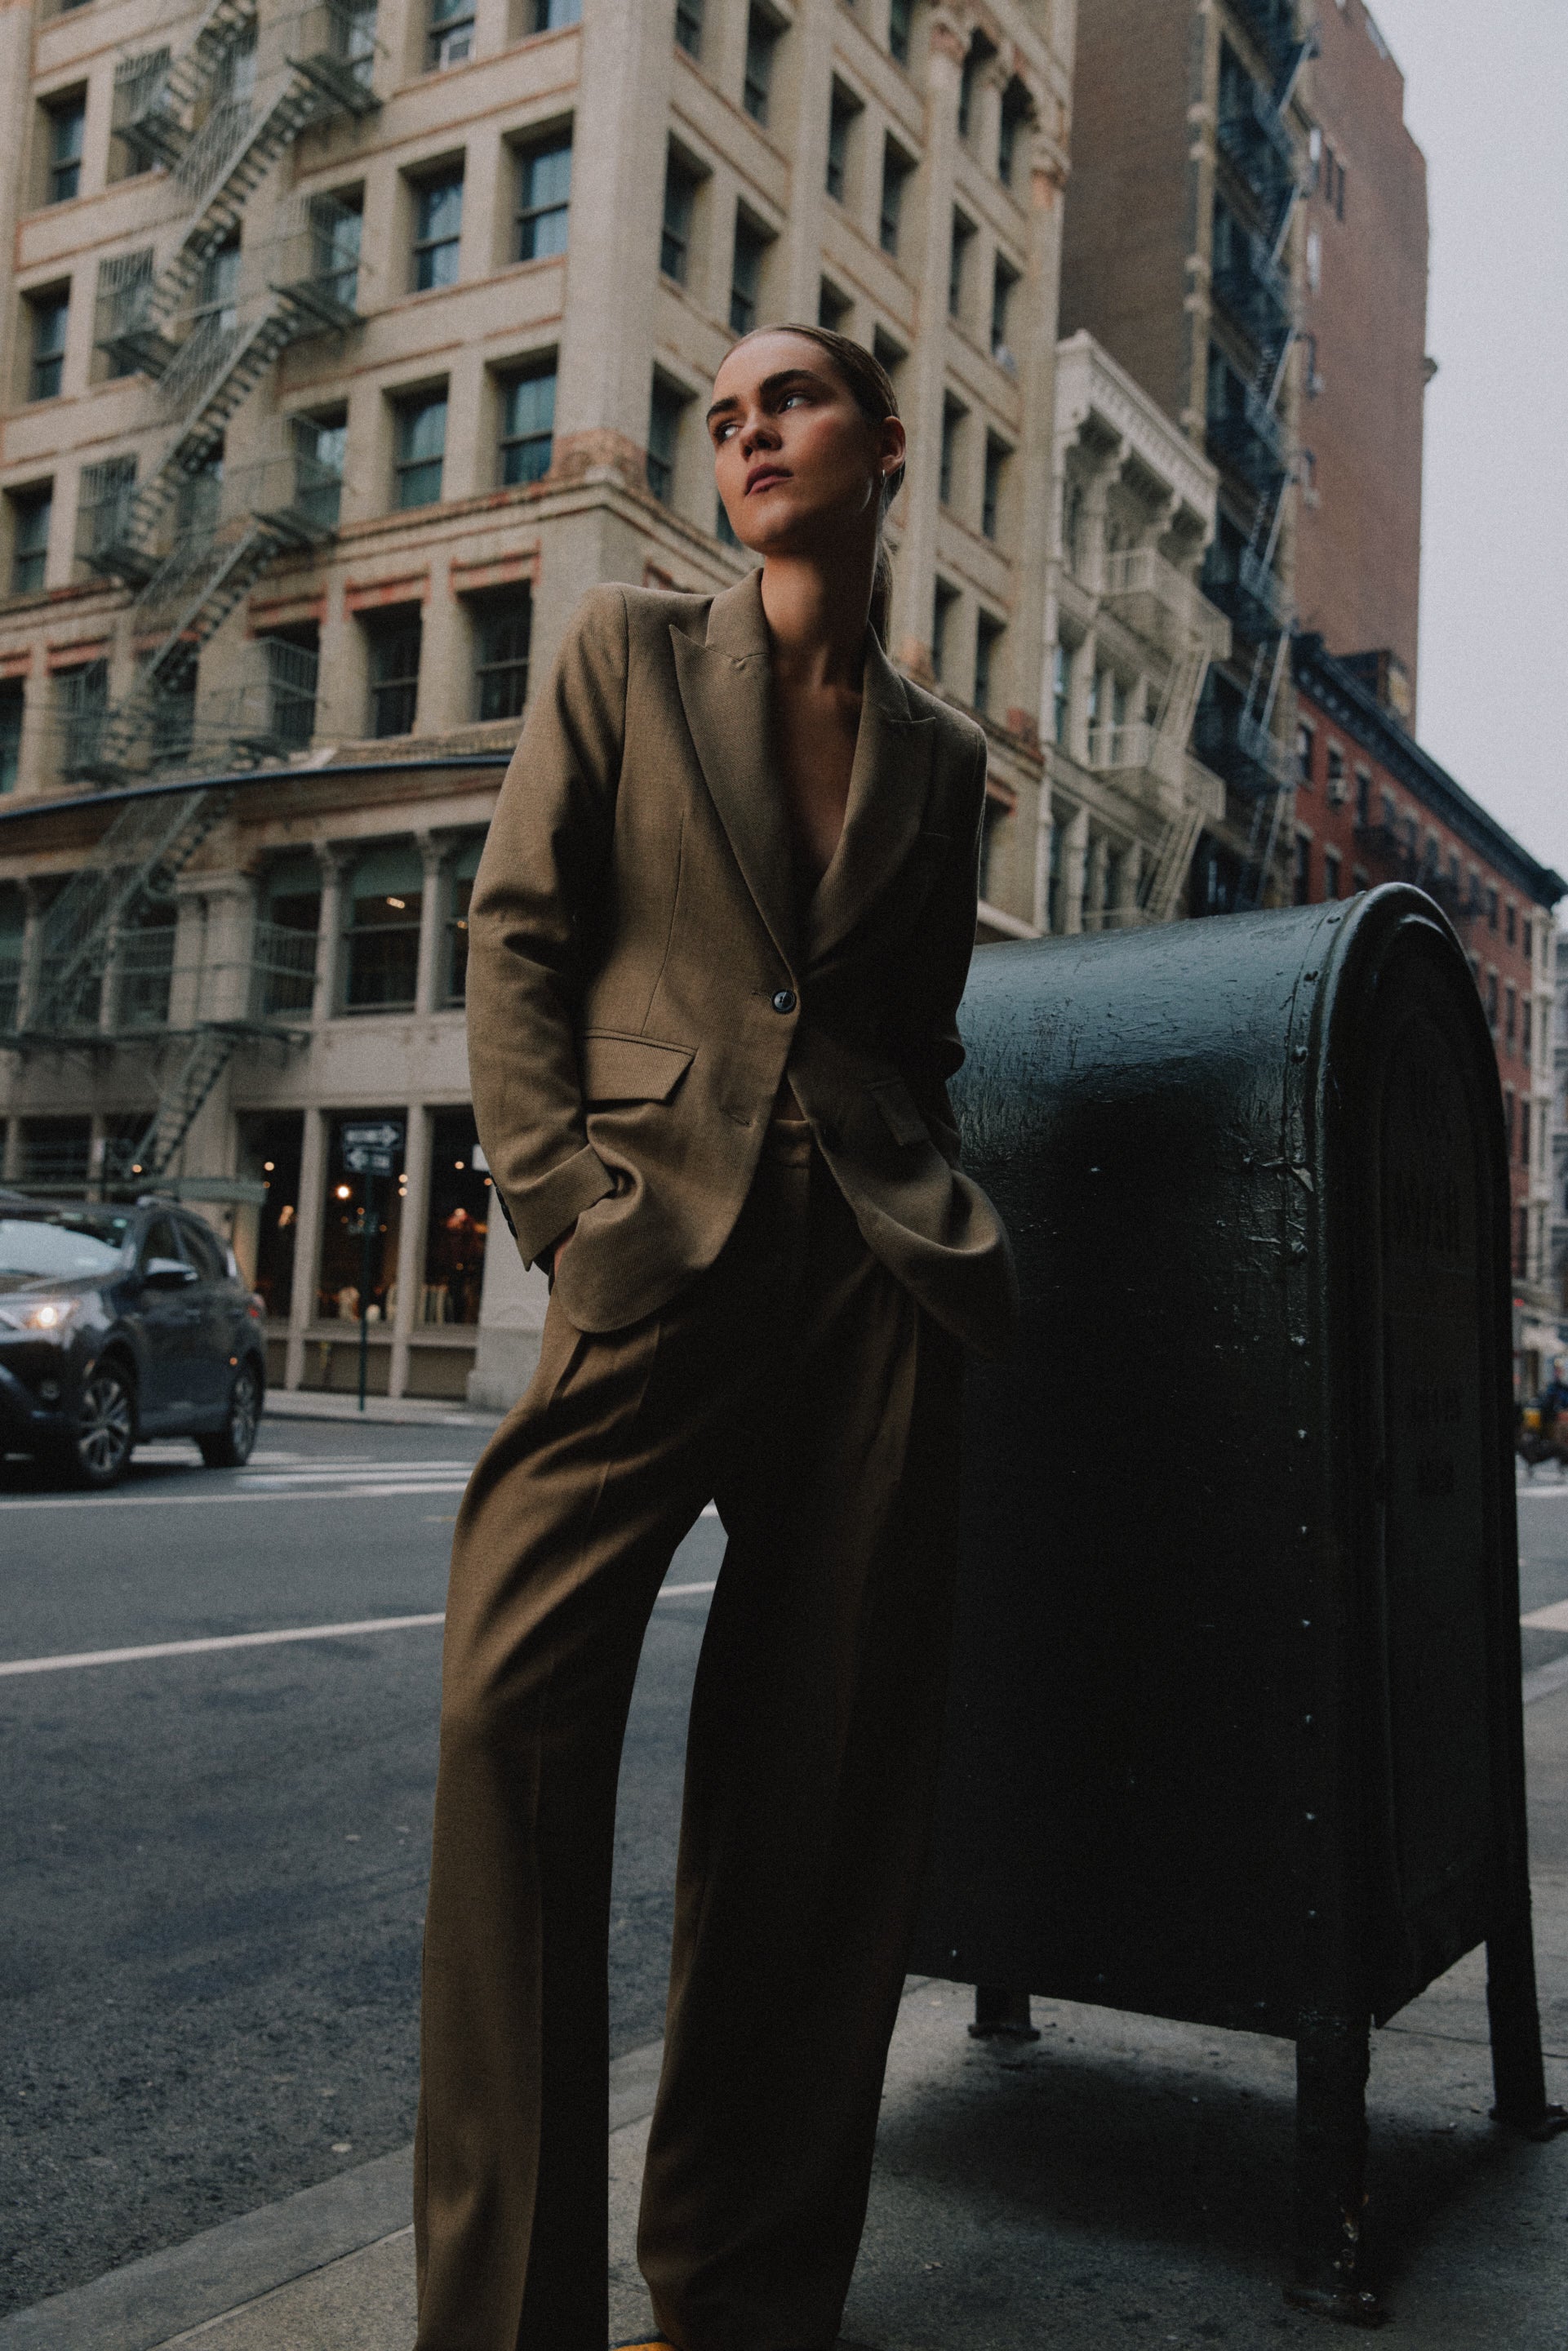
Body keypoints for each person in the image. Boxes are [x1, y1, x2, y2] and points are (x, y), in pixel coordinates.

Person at [412, 325, 1019, 2351]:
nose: (748, 428)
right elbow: (519, 930)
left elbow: (914, 1030)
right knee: (508, 1718)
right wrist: (563, 1207)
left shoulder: (946, 759)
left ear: (885, 445)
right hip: (653, 1251)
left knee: (816, 1796)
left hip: (873, 1285)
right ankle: (507, 2315)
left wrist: (933, 1219)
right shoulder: (624, 654)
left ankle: (739, 2296)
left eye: (793, 400)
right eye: (726, 413)